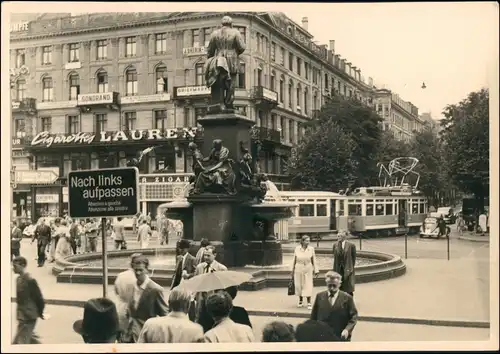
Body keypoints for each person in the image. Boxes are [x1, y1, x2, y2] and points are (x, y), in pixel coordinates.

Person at [123, 255, 168, 343]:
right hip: (129, 336)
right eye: (136, 270)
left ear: (147, 270)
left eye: (141, 270)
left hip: (146, 337)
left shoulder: (155, 290)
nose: (138, 273)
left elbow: (165, 315)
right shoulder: (130, 286)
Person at [138, 288, 204, 343]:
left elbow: (139, 349)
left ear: (169, 304)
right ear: (188, 305)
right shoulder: (197, 330)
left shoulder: (150, 324)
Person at [310, 271, 358, 342]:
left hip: (340, 336)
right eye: (329, 285)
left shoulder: (347, 298)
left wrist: (347, 330)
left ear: (339, 284)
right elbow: (313, 316)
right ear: (326, 284)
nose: (332, 288)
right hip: (322, 336)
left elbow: (354, 317)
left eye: (334, 285)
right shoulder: (319, 296)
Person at [12, 256, 45, 344]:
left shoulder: (30, 280)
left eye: (15, 266)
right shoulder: (18, 279)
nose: (13, 268)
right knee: (23, 340)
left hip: (29, 316)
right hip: (22, 316)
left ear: (23, 265)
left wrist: (40, 312)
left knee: (20, 343)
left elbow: (39, 298)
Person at [114, 253, 143, 341]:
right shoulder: (140, 277)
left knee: (121, 337)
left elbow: (116, 291)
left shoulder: (121, 275)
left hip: (120, 308)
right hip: (135, 311)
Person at [194, 246, 228, 322]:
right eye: (205, 255)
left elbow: (224, 288)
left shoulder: (221, 269)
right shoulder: (199, 267)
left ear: (214, 255)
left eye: (208, 255)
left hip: (213, 302)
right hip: (200, 302)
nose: (206, 257)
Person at [292, 235, 319, 309]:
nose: (308, 242)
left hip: (308, 267)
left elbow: (314, 259)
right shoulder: (297, 248)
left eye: (309, 240)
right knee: (299, 285)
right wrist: (292, 270)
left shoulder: (311, 249)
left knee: (308, 285)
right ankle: (300, 300)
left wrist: (316, 270)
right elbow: (294, 259)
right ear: (303, 241)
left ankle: (309, 302)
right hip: (299, 267)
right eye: (307, 240)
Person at [332, 230, 357, 297]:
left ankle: (350, 301)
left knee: (349, 286)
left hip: (347, 267)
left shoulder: (351, 245)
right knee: (339, 285)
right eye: (338, 236)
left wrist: (350, 267)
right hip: (338, 268)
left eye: (340, 236)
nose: (338, 237)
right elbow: (335, 257)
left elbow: (353, 257)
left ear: (344, 237)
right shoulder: (335, 245)